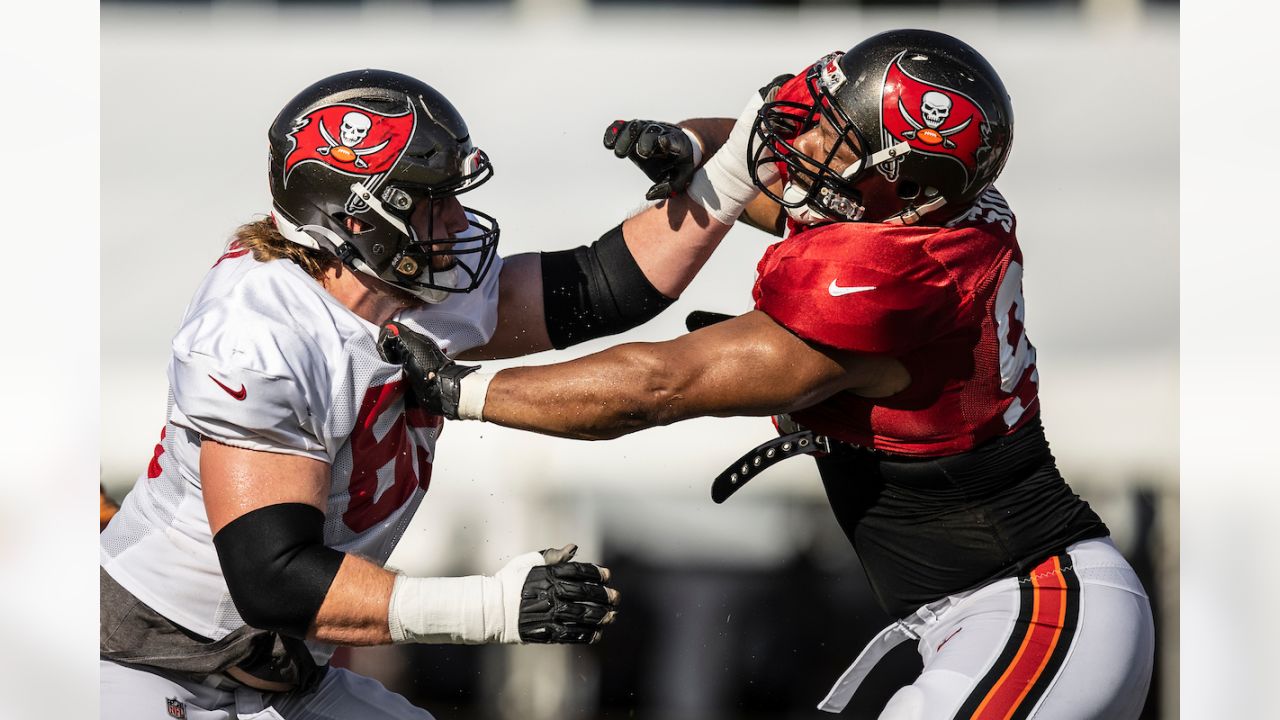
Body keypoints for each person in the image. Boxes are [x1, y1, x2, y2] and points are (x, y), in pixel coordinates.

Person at [378, 30, 1156, 719]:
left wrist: (462, 390)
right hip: (968, 612)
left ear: (908, 190)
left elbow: (658, 387)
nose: (809, 140)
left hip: (1035, 606)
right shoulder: (921, 214)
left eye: (838, 138)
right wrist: (693, 152)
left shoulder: (892, 283)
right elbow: (780, 165)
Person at [99, 66, 765, 719]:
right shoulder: (255, 332)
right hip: (149, 664)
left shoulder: (396, 285)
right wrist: (490, 610)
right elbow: (272, 578)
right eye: (431, 199)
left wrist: (734, 168)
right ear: (357, 218)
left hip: (285, 677)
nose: (455, 220)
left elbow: (603, 285)